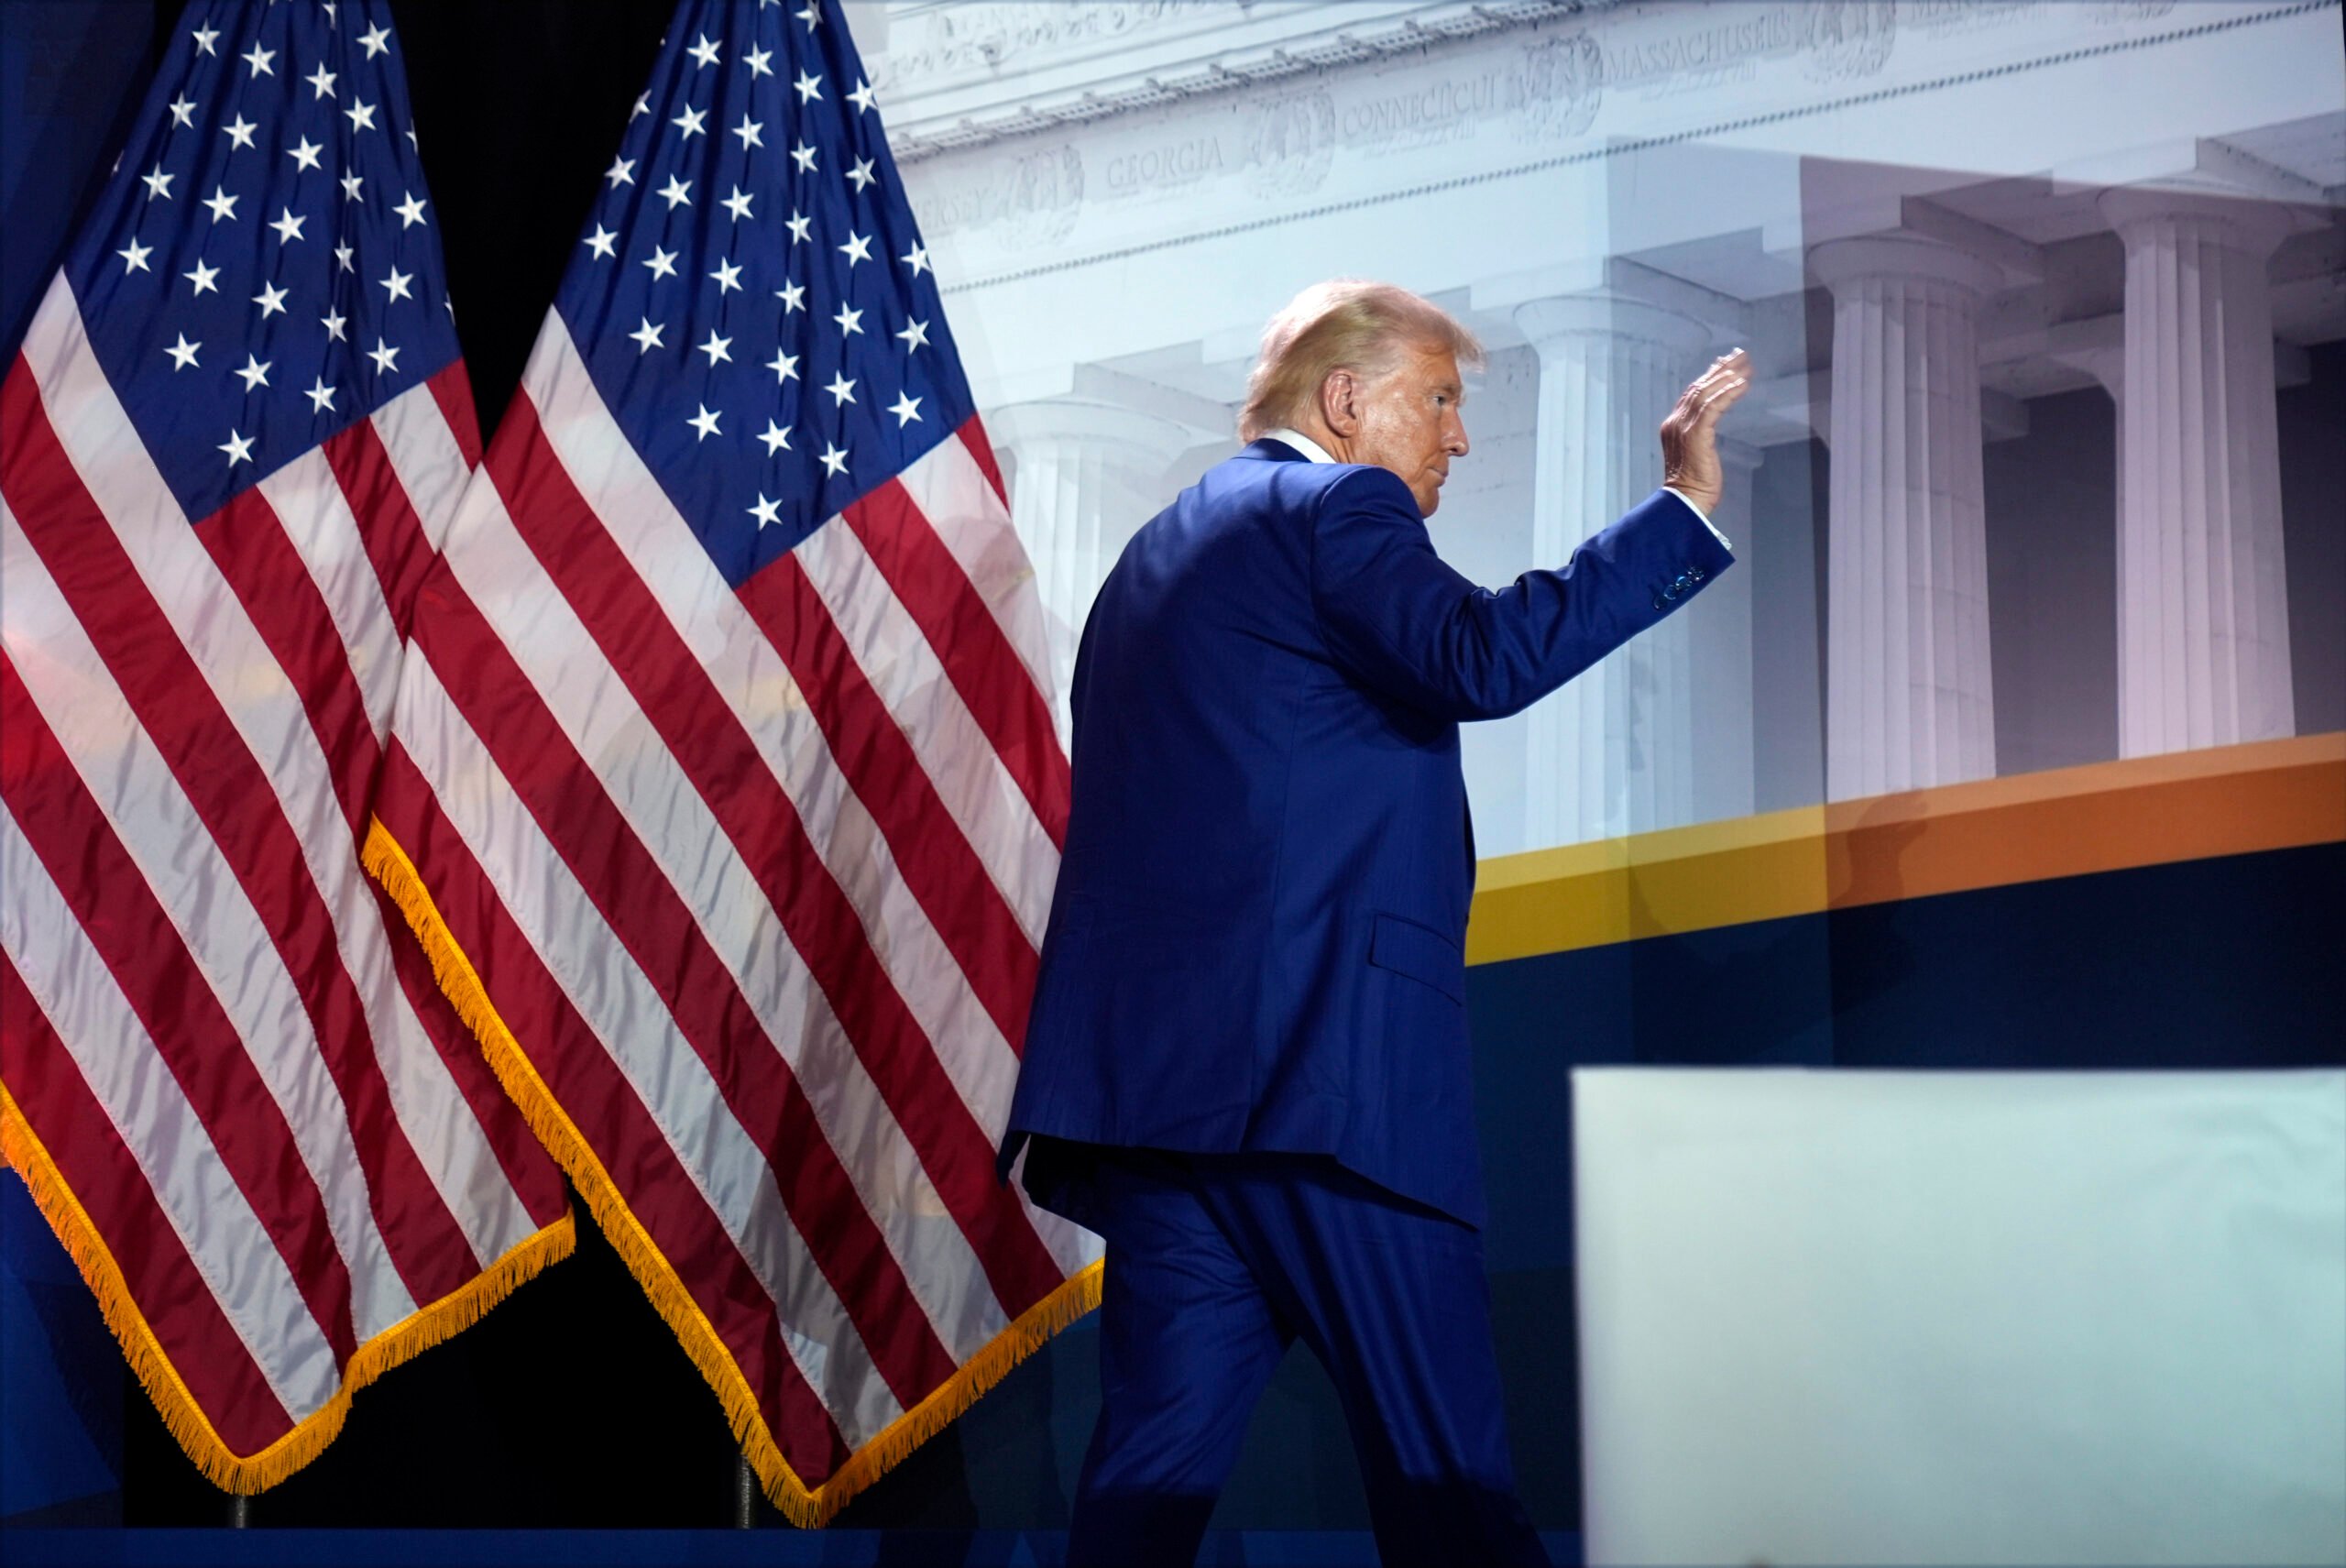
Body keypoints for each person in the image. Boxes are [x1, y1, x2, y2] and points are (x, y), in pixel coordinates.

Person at [999, 279, 1750, 1566]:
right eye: (1441, 399)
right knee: (1451, 1497)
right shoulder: (1335, 506)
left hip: (1167, 1117)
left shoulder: (1156, 551)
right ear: (1346, 401)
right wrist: (1678, 512)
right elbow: (1480, 660)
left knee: (1140, 1504)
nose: (1457, 437)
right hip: (1332, 1097)